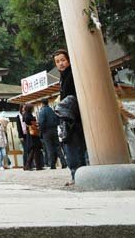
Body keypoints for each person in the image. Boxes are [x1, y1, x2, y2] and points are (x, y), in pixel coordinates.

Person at [53, 48, 87, 181]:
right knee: (74, 147)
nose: (60, 63)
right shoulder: (63, 77)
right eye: (57, 61)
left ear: (68, 60)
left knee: (74, 147)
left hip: (73, 116)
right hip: (69, 115)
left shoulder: (73, 74)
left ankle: (77, 175)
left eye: (63, 60)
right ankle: (76, 175)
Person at [38, 99, 65, 170]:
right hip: (54, 130)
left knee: (49, 147)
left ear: (42, 104)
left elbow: (41, 122)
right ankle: (63, 162)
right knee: (57, 147)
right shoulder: (52, 110)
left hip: (46, 131)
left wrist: (41, 132)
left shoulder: (42, 111)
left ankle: (52, 164)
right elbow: (57, 120)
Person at [21, 104, 43, 170]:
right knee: (35, 149)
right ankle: (35, 165)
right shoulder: (29, 115)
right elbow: (33, 123)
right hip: (33, 133)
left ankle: (29, 165)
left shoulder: (24, 115)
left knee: (33, 150)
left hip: (30, 133)